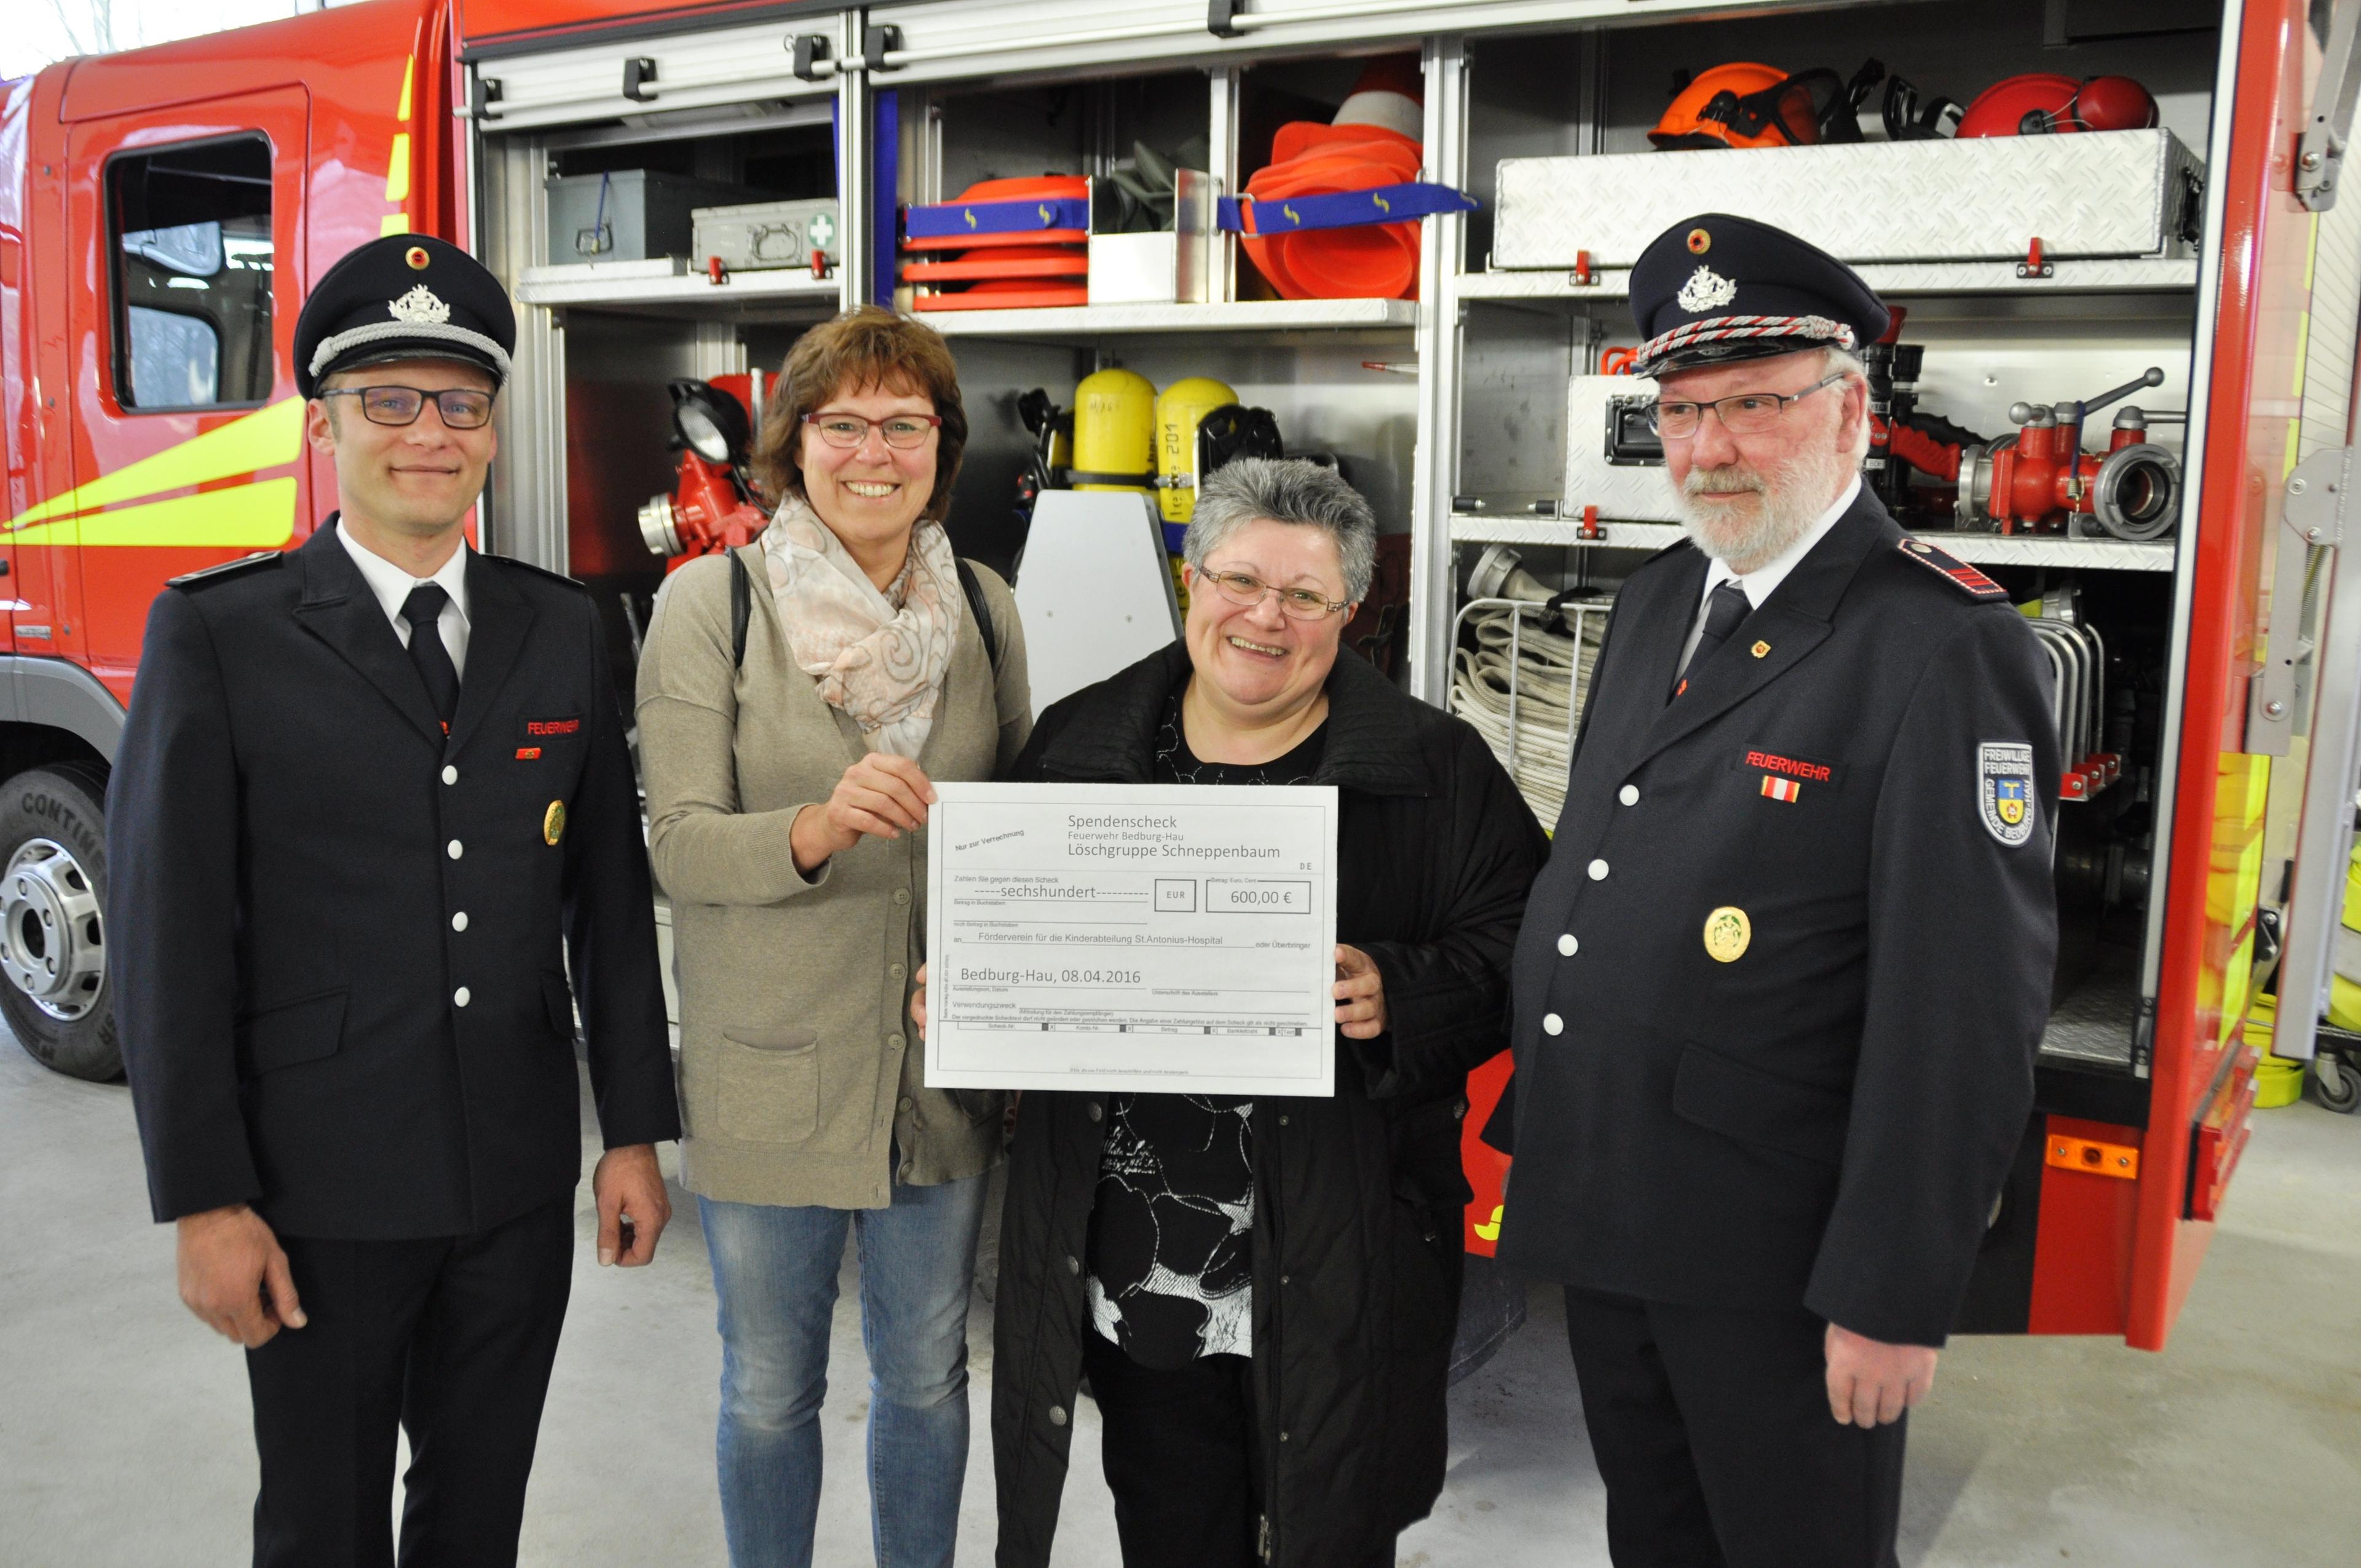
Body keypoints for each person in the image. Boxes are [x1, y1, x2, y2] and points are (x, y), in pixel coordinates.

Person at [1493, 213, 2060, 1567]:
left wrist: (1894, 1291)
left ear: (1852, 410)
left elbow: (1963, 1011)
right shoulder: (1655, 601)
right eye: (1683, 410)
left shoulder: (1941, 644)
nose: (1711, 448)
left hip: (1782, 1257)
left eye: (1756, 403)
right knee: (1656, 1538)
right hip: (1614, 1201)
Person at [110, 233, 679, 1568]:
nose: (430, 432)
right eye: (389, 400)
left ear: (493, 433)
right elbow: (164, 941)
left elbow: (605, 899)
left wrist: (634, 1133)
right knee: (322, 1526)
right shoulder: (221, 632)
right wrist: (205, 1200)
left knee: (479, 1518)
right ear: (324, 426)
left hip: (515, 1179)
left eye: (462, 404)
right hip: (318, 1188)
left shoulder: (561, 626)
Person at [913, 457, 1547, 1568]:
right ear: (1191, 580)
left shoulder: (1435, 771)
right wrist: (971, 991)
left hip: (1339, 1270)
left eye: (1305, 594)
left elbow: (1527, 951)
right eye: (1240, 580)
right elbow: (1013, 928)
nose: (1266, 616)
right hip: (1145, 1276)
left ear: (1351, 611)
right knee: (1174, 1533)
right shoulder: (1078, 744)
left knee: (1332, 1536)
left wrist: (1403, 990)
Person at [635, 304, 1031, 1568]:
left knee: (926, 1373)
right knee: (768, 1386)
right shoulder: (711, 604)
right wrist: (813, 828)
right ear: (794, 444)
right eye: (843, 424)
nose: (874, 453)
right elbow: (678, 843)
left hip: (933, 1077)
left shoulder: (984, 607)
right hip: (771, 1071)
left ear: (942, 445)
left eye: (904, 425)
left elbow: (1019, 835)